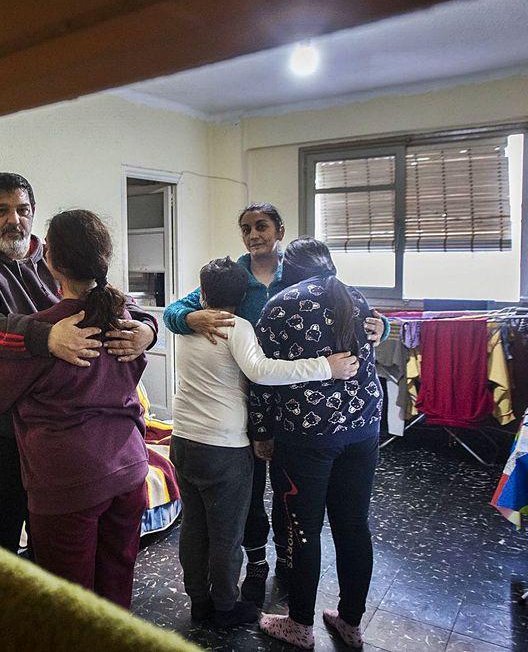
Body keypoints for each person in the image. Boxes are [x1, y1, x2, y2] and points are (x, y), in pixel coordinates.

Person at [163, 203, 385, 604]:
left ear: (279, 230)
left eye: (261, 226)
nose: (253, 234)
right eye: (245, 228)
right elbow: (177, 310)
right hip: (242, 405)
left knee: (290, 496)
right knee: (247, 495)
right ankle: (257, 559)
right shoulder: (233, 276)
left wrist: (381, 325)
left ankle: (288, 559)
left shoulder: (301, 270)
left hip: (295, 410)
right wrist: (190, 319)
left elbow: (348, 307)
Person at [0, 173, 158, 554]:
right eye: (1, 211)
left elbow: (115, 302)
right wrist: (45, 337)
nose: (14, 220)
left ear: (34, 212)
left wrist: (148, 330)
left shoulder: (56, 259)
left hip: (54, 440)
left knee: (54, 549)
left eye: (22, 210)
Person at [171, 257, 359, 627]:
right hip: (223, 447)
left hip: (183, 440)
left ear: (203, 292)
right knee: (226, 534)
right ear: (243, 296)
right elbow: (263, 371)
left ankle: (198, 601)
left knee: (194, 528)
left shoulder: (188, 327)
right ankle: (225, 606)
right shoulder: (237, 327)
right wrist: (326, 366)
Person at [251, 238, 383, 650]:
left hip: (306, 436)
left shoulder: (280, 305)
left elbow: (262, 378)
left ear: (290, 267)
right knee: (353, 526)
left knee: (302, 529)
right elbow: (374, 342)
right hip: (362, 430)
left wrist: (261, 432)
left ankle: (301, 625)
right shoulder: (354, 296)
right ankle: (350, 622)